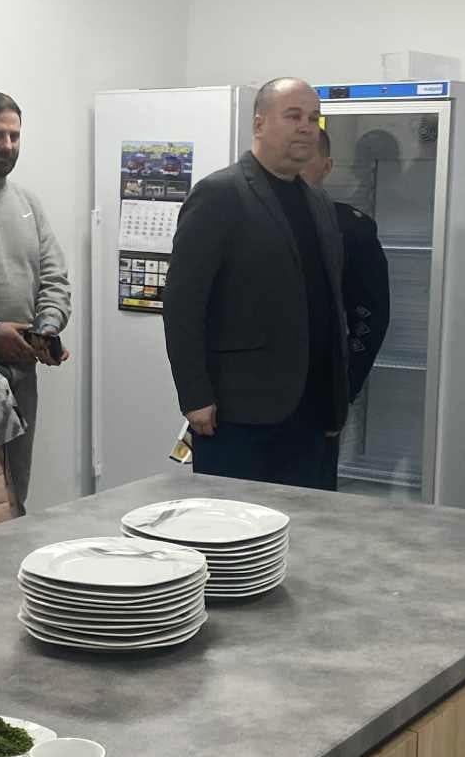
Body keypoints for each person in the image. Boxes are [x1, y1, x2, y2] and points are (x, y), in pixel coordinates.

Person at [162, 78, 347, 491]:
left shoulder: (317, 201)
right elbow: (182, 304)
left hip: (314, 411)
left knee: (312, 524)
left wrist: (337, 399)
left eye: (314, 118)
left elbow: (330, 303)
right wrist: (194, 396)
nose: (307, 127)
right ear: (259, 124)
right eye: (294, 116)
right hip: (239, 412)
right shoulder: (219, 194)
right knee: (235, 523)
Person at [0, 89, 71, 512]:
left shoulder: (28, 203)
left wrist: (45, 330)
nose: (7, 145)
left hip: (23, 368)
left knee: (16, 488)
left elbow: (55, 277)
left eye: (14, 136)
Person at [300, 123, 391, 403]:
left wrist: (342, 387)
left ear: (326, 167)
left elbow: (370, 317)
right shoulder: (249, 223)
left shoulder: (350, 231)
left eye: (303, 156)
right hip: (248, 390)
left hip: (314, 389)